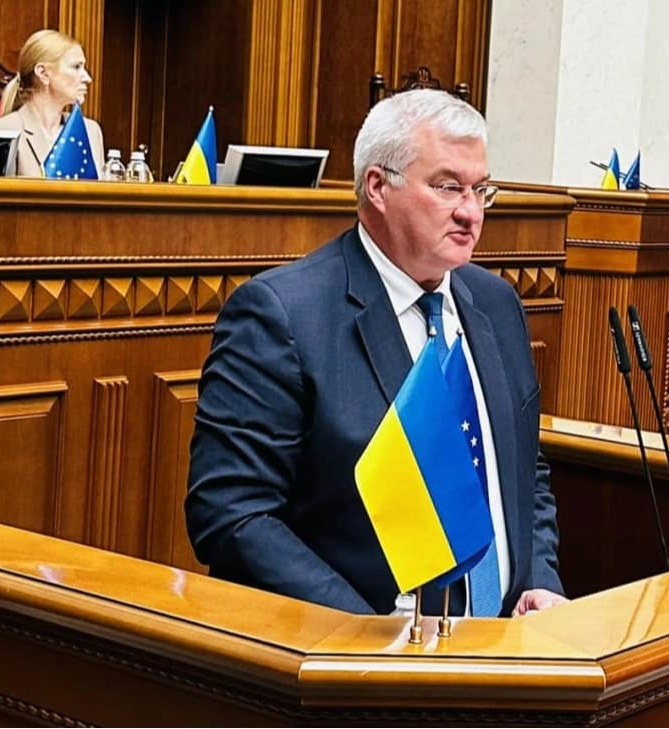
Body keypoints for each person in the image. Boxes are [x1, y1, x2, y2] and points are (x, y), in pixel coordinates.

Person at [185, 89, 567, 618]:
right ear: (378, 186)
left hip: (510, 643)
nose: (471, 213)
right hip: (353, 651)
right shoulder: (282, 315)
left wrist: (540, 580)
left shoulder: (497, 304)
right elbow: (232, 514)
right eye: (448, 187)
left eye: (481, 190)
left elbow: (525, 471)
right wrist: (366, 635)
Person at [0, 29, 104, 177]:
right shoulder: (3, 132)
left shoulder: (90, 131)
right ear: (43, 73)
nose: (87, 78)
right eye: (76, 67)